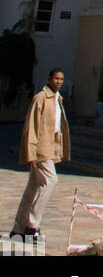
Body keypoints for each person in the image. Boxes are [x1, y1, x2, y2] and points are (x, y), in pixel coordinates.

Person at [10, 69, 70, 241]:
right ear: (49, 79)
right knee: (51, 180)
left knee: (32, 188)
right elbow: (31, 126)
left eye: (61, 79)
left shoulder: (58, 99)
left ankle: (18, 228)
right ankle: (32, 224)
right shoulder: (40, 98)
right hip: (40, 149)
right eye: (56, 78)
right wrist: (30, 152)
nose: (59, 81)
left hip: (51, 147)